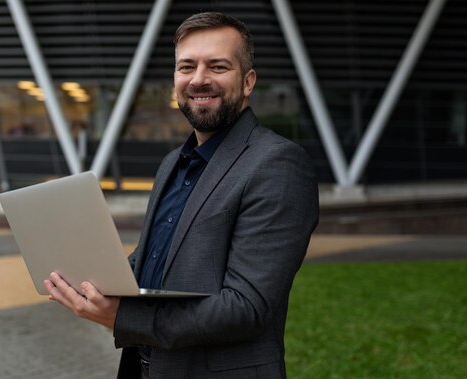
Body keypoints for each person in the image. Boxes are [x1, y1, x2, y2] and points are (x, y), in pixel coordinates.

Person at [44, 11, 318, 378]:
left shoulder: (277, 164)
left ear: (248, 81)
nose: (198, 79)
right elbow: (154, 262)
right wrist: (89, 278)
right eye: (186, 67)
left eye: (218, 67)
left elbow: (247, 307)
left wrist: (123, 317)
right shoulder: (174, 162)